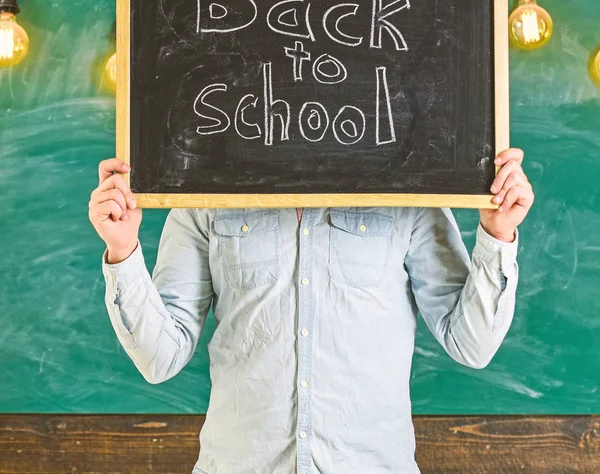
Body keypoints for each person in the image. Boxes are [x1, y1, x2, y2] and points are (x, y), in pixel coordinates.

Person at [88, 148, 534, 474]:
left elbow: (471, 344)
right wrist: (123, 250)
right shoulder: (202, 195)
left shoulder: (411, 192)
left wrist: (497, 235)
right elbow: (160, 358)